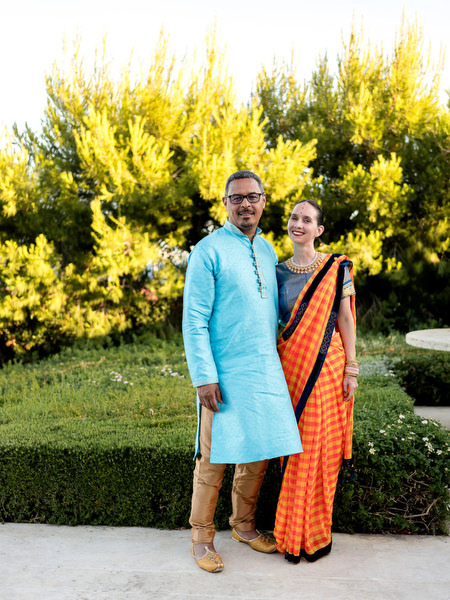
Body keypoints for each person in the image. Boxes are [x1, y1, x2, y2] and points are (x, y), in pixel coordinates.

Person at [182, 170, 302, 573]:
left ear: (264, 201)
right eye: (237, 198)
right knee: (212, 460)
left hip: (265, 371)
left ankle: (243, 526)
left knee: (258, 453)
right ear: (226, 203)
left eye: (253, 196)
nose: (245, 204)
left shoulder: (268, 251)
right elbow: (194, 319)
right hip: (223, 373)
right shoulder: (207, 250)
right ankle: (201, 538)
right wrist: (204, 376)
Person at [274, 199, 357, 563]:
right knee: (293, 448)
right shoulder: (276, 271)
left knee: (318, 448)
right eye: (294, 217)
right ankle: (291, 534)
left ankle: (315, 533)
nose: (299, 224)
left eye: (307, 220)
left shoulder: (337, 267)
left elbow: (346, 318)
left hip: (328, 366)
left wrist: (351, 367)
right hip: (290, 364)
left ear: (319, 230)